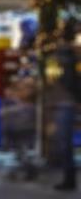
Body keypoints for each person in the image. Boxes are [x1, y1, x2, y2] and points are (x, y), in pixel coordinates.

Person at [54, 19, 78, 191]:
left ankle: (69, 178)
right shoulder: (71, 52)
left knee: (64, 142)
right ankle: (69, 178)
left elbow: (64, 79)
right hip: (68, 100)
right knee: (64, 142)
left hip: (68, 101)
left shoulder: (65, 53)